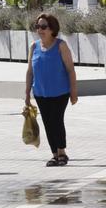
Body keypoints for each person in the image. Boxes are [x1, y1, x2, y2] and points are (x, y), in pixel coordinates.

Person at [25, 12, 77, 166]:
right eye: (38, 27)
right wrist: (27, 93)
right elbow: (30, 72)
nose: (40, 30)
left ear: (52, 28)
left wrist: (74, 92)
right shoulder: (33, 47)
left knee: (56, 120)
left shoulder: (61, 45)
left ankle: (62, 152)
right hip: (41, 93)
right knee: (47, 123)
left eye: (43, 27)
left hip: (60, 93)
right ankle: (54, 154)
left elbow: (70, 70)